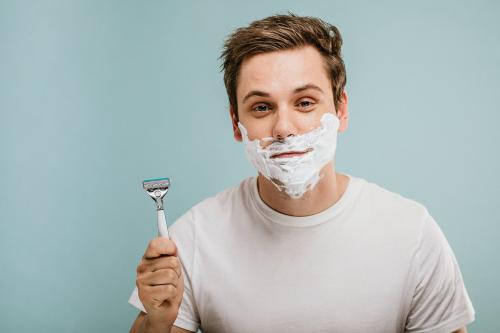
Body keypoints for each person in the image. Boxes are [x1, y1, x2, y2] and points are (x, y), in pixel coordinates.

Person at [128, 12, 475, 333]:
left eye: (305, 102)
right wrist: (157, 321)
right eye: (261, 107)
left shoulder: (412, 233)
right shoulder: (192, 239)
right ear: (237, 124)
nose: (283, 127)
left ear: (340, 110)